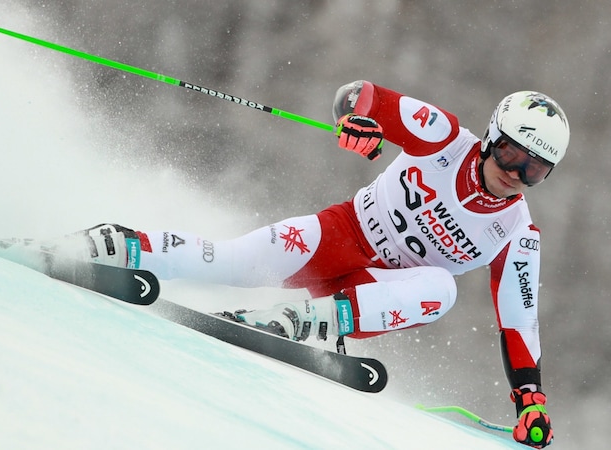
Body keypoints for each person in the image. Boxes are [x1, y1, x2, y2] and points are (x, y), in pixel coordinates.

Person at [58, 80, 569, 448]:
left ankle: (305, 322)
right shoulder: (441, 136)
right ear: (490, 136)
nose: (516, 174)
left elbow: (519, 320)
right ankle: (117, 243)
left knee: (442, 288)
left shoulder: (518, 234)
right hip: (339, 236)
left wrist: (531, 399)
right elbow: (357, 94)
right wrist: (356, 122)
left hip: (369, 293)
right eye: (509, 154)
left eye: (535, 169)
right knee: (230, 261)